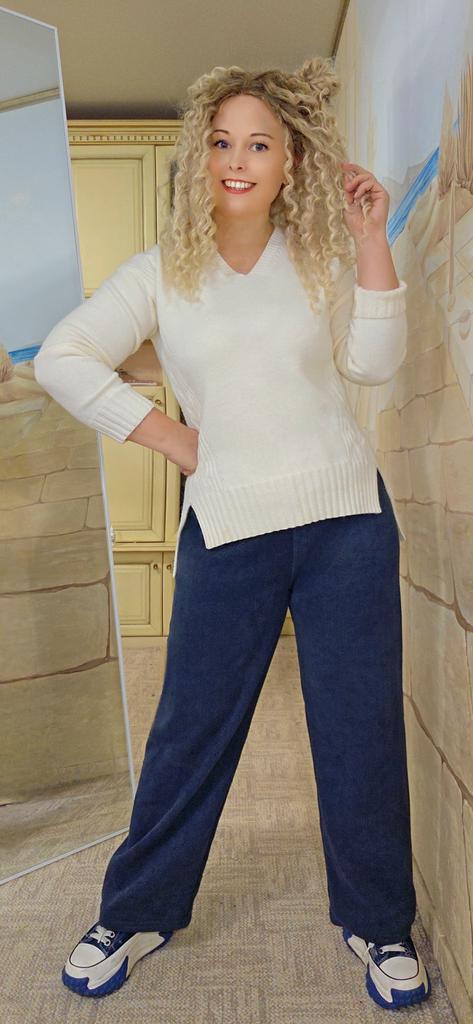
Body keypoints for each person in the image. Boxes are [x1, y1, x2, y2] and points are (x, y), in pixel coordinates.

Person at [33, 57, 431, 1010]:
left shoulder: (321, 257)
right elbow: (62, 356)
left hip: (345, 522)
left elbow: (372, 365)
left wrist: (370, 241)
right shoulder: (161, 274)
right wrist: (173, 438)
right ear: (199, 157)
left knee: (359, 730)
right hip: (228, 527)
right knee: (189, 731)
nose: (237, 160)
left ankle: (378, 923)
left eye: (258, 144)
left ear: (290, 162)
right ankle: (136, 912)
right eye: (221, 142)